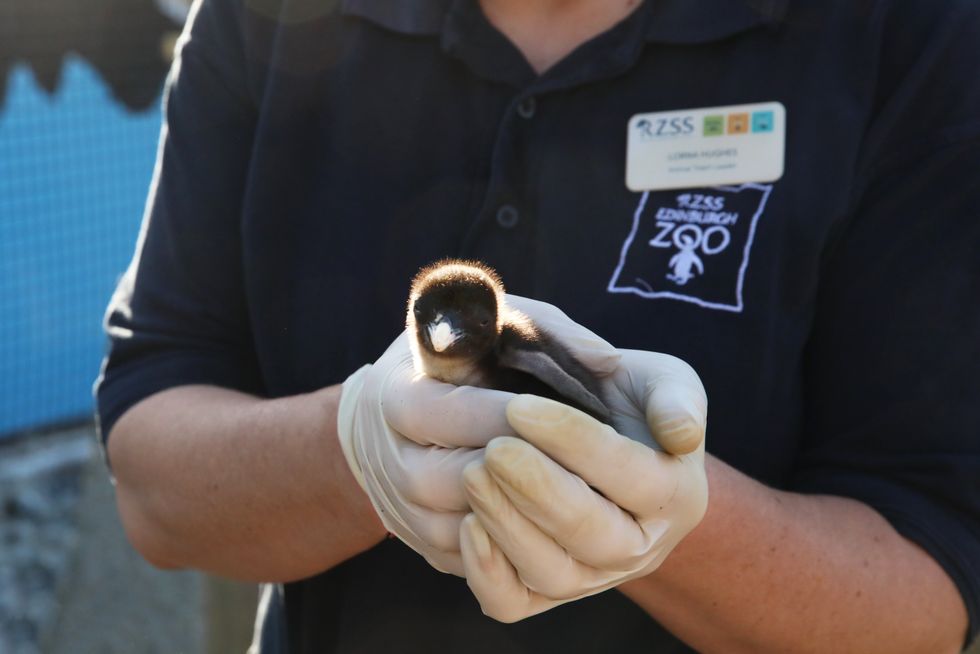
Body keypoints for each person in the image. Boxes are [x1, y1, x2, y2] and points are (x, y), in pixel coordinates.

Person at [96, 0, 980, 651]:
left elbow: (930, 595)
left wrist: (671, 518)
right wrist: (355, 445)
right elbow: (152, 477)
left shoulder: (907, 35)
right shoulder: (267, 18)